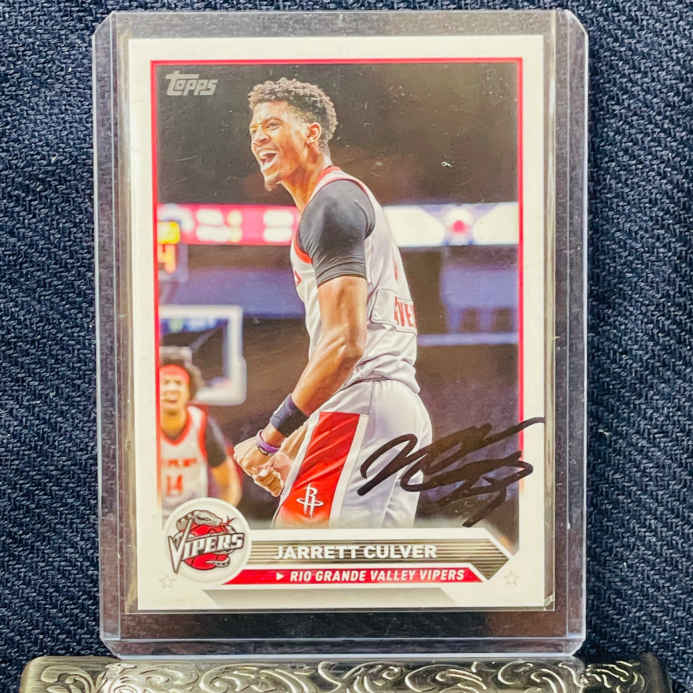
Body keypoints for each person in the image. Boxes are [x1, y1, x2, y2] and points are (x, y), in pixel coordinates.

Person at [235, 77, 431, 528]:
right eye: (253, 130)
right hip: (391, 406)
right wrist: (300, 435)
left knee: (295, 553)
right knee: (372, 567)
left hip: (363, 402)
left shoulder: (330, 204)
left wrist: (269, 440)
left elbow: (346, 345)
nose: (258, 137)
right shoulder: (341, 199)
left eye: (272, 125)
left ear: (312, 133)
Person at [159, 347, 242, 520]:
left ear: (189, 391)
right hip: (152, 518)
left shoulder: (202, 424)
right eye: (165, 382)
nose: (171, 388)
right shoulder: (143, 425)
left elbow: (229, 484)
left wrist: (219, 518)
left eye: (178, 383)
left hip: (193, 520)